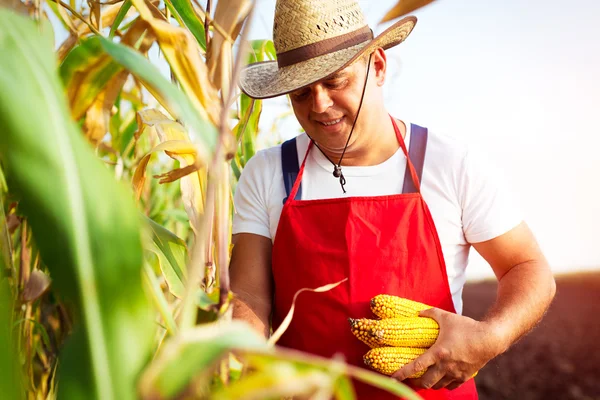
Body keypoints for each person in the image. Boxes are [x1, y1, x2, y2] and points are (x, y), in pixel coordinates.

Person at [230, 0, 556, 398]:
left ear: (378, 67)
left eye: (335, 81)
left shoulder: (449, 163)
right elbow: (248, 294)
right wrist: (241, 357)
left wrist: (491, 337)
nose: (319, 104)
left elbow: (527, 265)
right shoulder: (266, 173)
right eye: (300, 93)